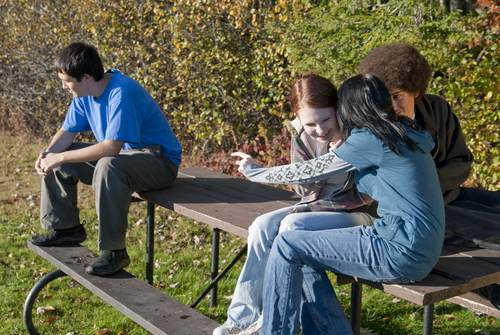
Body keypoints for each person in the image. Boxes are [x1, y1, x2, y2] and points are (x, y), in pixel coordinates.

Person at [234, 74, 445, 334]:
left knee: (287, 245)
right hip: (414, 244)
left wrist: (255, 171)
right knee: (300, 247)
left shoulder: (369, 139)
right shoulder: (400, 130)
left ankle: (272, 330)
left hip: (400, 249)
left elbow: (306, 172)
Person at [213, 73, 373, 335]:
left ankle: (269, 320)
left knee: (291, 225)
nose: (320, 130)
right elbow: (301, 188)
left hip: (359, 213)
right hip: (317, 206)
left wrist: (340, 159)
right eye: (311, 123)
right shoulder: (300, 135)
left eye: (326, 119)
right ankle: (241, 319)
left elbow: (367, 194)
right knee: (262, 226)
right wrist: (322, 162)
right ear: (298, 119)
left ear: (337, 109)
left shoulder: (356, 132)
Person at [357, 42, 500, 307]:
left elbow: (461, 162)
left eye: (397, 95)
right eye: (382, 97)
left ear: (416, 90)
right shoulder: (370, 126)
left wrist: (427, 181)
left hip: (449, 194)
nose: (390, 105)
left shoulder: (437, 109)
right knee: (492, 229)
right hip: (411, 215)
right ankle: (493, 291)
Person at [29, 42, 182, 277]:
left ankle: (115, 251)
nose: (64, 87)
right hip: (123, 159)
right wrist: (48, 156)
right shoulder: (84, 93)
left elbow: (111, 148)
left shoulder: (123, 92)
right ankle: (65, 228)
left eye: (67, 81)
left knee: (107, 165)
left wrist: (59, 156)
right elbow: (67, 133)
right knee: (63, 160)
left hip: (159, 162)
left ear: (86, 76)